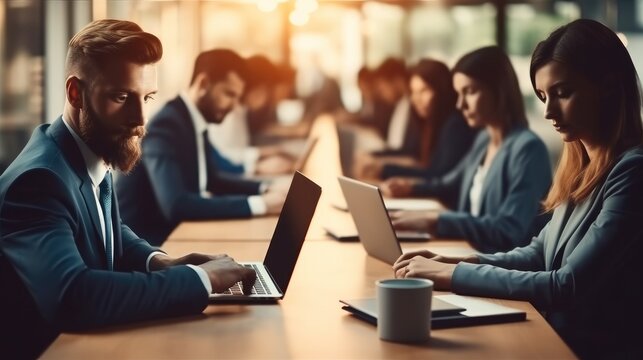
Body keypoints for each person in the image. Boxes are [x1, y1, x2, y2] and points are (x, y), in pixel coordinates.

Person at [0, 20, 256, 358]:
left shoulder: (88, 149)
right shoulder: (38, 183)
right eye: (121, 97)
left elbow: (107, 232)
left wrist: (161, 262)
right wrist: (199, 280)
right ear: (75, 93)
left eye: (147, 97)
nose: (140, 118)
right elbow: (73, 296)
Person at [393, 19, 643, 358]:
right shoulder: (580, 166)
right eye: (543, 96)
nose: (548, 111)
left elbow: (565, 285)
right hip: (553, 336)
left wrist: (455, 274)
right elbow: (538, 253)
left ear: (609, 87)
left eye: (562, 93)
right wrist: (456, 261)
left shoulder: (632, 171)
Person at [382, 46, 552, 253]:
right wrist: (409, 188)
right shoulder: (483, 140)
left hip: (497, 270)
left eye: (469, 92)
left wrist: (436, 220)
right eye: (458, 94)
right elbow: (449, 183)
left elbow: (508, 230)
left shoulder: (528, 150)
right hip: (468, 253)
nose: (460, 105)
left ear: (498, 90)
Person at [115, 49, 288, 246]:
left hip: (177, 235)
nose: (233, 106)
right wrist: (259, 205)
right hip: (146, 247)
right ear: (204, 84)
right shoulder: (167, 125)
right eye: (229, 94)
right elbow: (176, 205)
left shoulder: (192, 120)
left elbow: (212, 179)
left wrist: (265, 189)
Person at [358, 58, 478, 180]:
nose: (416, 99)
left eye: (424, 91)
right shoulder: (427, 122)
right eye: (414, 92)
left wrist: (384, 170)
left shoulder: (454, 126)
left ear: (441, 90)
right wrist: (373, 155)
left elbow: (439, 175)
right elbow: (411, 152)